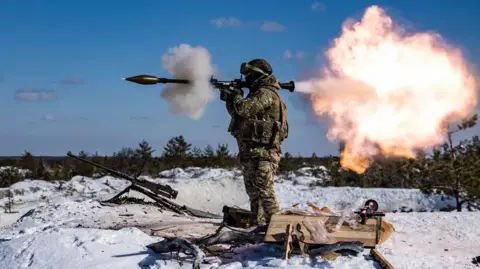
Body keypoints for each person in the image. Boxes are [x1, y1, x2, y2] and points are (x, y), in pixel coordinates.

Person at [223, 58, 289, 225]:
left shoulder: (266, 93)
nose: (246, 79)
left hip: (264, 153)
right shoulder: (258, 94)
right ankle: (260, 226)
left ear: (257, 75)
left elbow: (244, 109)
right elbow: (238, 114)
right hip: (253, 152)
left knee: (264, 190)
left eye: (249, 75)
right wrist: (230, 99)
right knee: (254, 193)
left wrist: (237, 95)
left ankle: (278, 228)